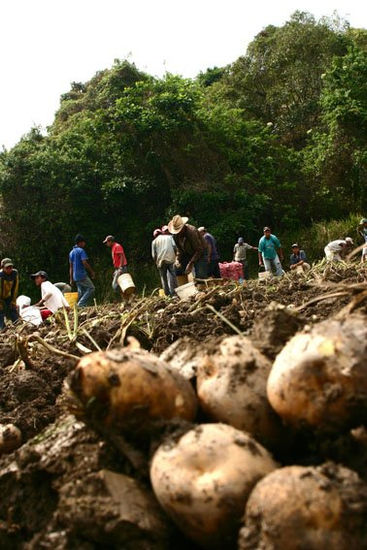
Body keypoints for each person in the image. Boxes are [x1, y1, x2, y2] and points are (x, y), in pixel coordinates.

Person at [69, 234, 95, 307]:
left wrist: (71, 278)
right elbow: (84, 262)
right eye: (83, 242)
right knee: (91, 288)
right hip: (82, 275)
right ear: (80, 243)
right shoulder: (81, 251)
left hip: (75, 276)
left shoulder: (71, 252)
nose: (84, 244)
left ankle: (77, 307)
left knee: (81, 292)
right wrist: (91, 271)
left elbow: (71, 267)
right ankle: (80, 304)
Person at [152, 227, 177, 296]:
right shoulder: (169, 237)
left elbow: (154, 255)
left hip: (160, 261)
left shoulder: (154, 242)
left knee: (164, 278)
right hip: (171, 259)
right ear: (161, 232)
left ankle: (167, 294)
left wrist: (157, 262)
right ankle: (175, 293)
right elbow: (174, 246)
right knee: (173, 276)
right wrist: (175, 255)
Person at [0, 259, 19, 330]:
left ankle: (17, 325)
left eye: (10, 267)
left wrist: (13, 301)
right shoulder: (0, 275)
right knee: (0, 312)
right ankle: (2, 328)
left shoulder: (15, 273)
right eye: (7, 268)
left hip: (8, 295)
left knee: (13, 308)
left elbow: (15, 288)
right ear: (2, 268)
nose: (9, 269)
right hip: (0, 296)